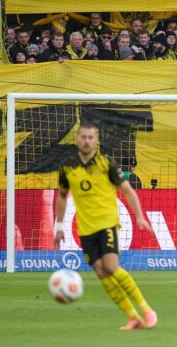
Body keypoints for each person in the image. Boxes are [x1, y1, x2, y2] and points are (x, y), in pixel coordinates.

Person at [53, 123, 157, 330]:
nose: (87, 141)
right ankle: (133, 317)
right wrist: (59, 226)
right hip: (85, 229)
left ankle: (146, 309)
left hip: (107, 223)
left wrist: (139, 216)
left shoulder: (106, 164)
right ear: (76, 139)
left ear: (96, 140)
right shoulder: (67, 167)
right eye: (83, 137)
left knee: (111, 267)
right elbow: (62, 196)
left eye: (90, 137)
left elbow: (128, 190)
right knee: (101, 272)